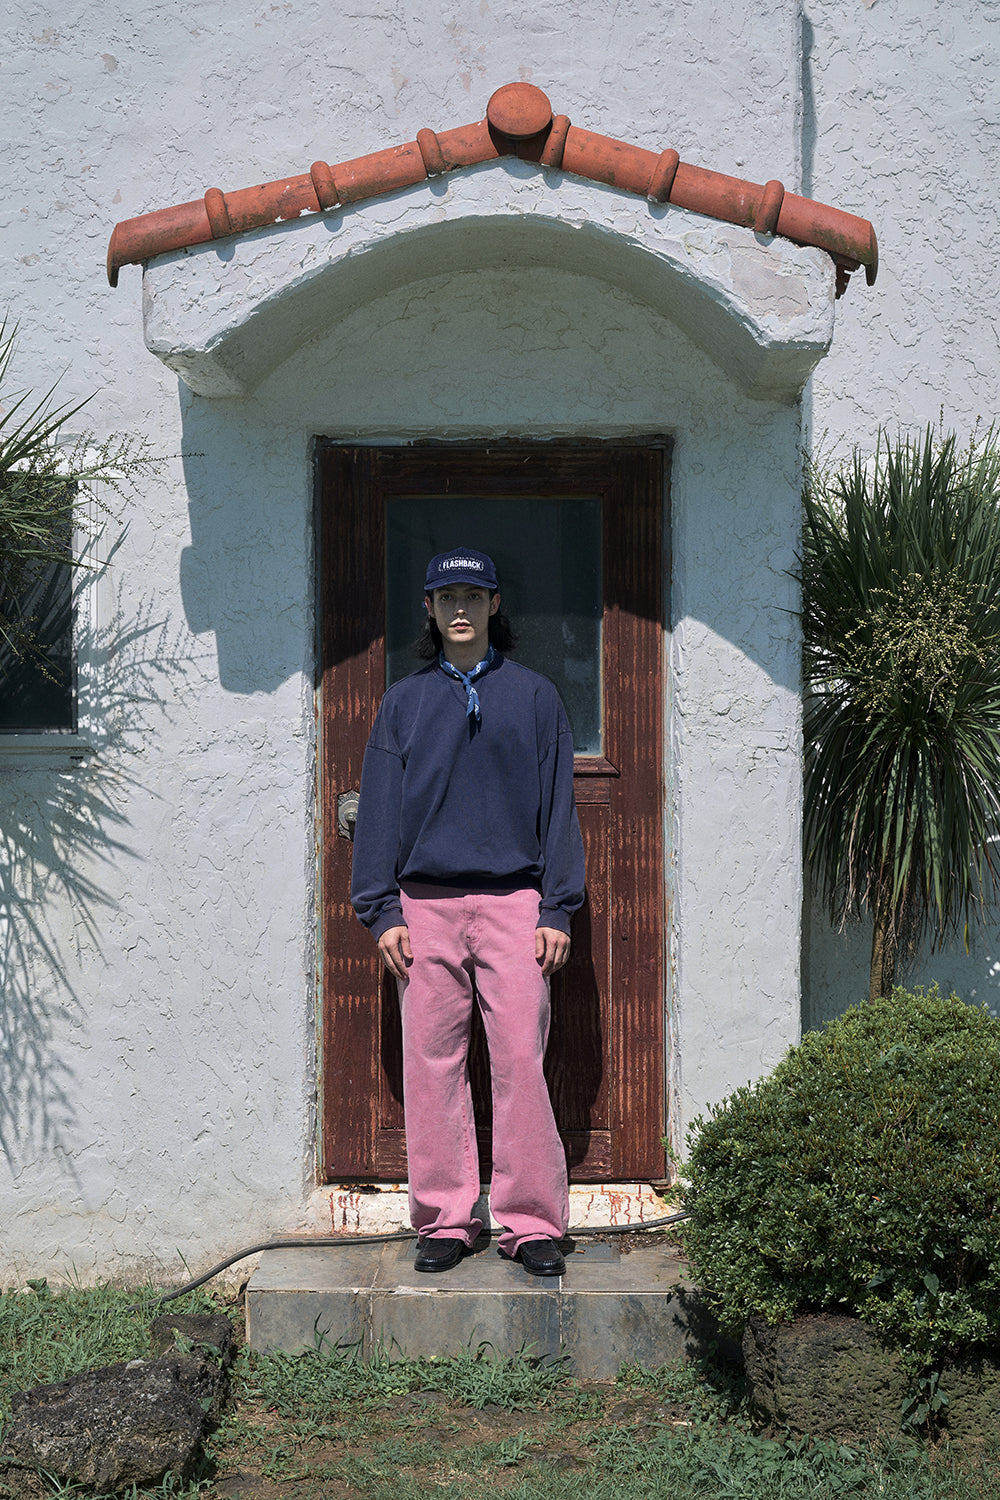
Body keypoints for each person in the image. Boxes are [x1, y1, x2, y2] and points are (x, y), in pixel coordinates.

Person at [350, 547, 585, 1277]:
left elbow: (559, 810)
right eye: (447, 596)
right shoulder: (404, 703)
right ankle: (448, 1220)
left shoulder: (536, 697)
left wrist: (558, 907)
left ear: (494, 606)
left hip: (517, 903)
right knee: (432, 1065)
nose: (460, 609)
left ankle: (530, 1222)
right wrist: (381, 910)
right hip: (425, 907)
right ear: (428, 607)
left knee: (520, 1059)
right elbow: (381, 812)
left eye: (473, 596)